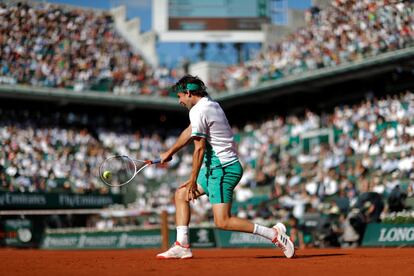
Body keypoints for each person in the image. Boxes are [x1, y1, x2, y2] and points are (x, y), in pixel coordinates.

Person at [156, 75, 294, 259]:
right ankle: (182, 245)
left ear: (188, 93)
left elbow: (199, 149)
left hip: (223, 169)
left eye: (180, 96)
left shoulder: (198, 111)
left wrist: (192, 179)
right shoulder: (210, 104)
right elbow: (190, 131)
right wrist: (170, 152)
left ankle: (273, 234)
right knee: (181, 195)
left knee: (222, 221)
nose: (179, 101)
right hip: (216, 167)